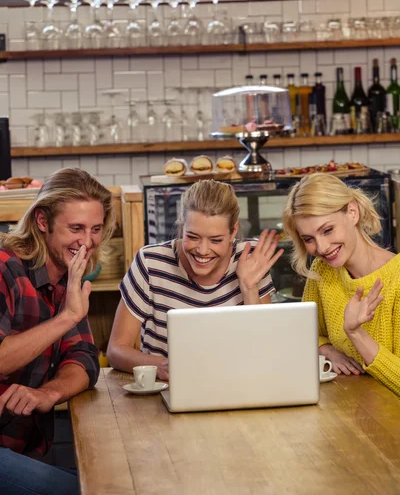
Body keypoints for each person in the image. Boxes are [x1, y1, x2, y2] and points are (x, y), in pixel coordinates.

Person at [0, 168, 115, 494]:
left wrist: (48, 393)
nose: (87, 242)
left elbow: (84, 359)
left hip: (26, 446)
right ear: (41, 221)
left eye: (95, 229)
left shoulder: (67, 277)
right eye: (76, 228)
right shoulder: (4, 268)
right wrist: (67, 317)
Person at [107, 179, 284, 380]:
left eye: (216, 240)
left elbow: (263, 351)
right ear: (182, 223)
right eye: (192, 236)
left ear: (233, 231)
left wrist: (249, 287)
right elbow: (116, 350)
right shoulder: (150, 262)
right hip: (165, 389)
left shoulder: (250, 258)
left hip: (237, 383)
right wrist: (161, 367)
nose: (202, 251)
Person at [282, 172, 400, 397]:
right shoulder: (323, 270)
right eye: (309, 239)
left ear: (352, 213)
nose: (322, 247)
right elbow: (304, 333)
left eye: (327, 230)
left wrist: (355, 333)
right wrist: (326, 350)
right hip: (354, 407)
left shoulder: (398, 279)